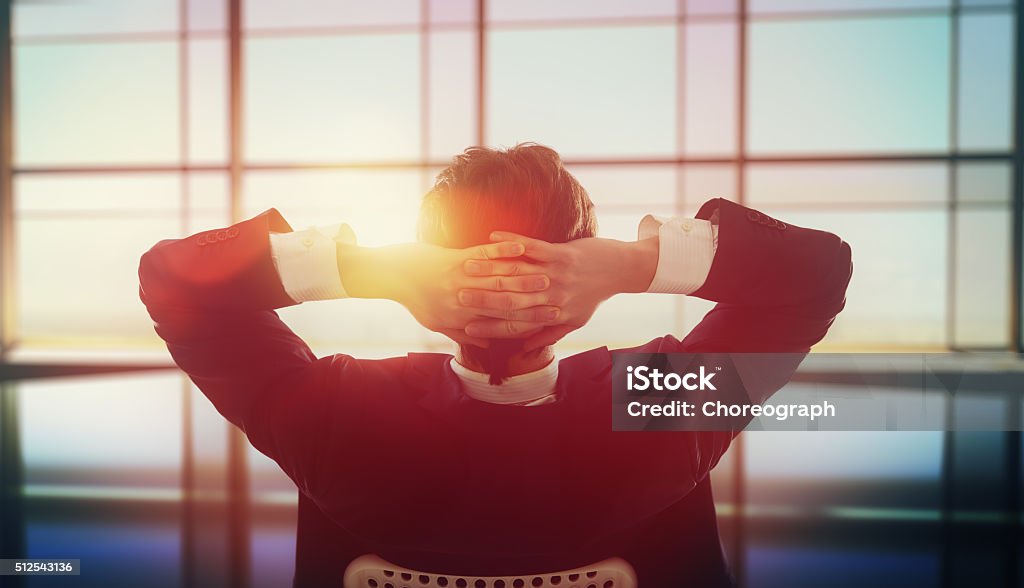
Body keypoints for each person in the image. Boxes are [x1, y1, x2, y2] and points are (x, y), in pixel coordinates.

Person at [139, 143, 852, 586]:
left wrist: (371, 270)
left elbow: (173, 284)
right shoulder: (659, 408)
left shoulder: (334, 418)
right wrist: (637, 263)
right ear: (585, 284)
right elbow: (818, 277)